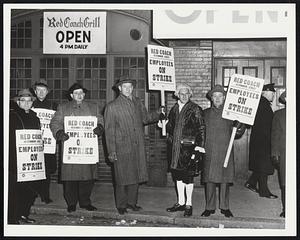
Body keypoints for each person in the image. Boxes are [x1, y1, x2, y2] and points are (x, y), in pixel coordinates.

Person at [104, 75, 164, 215]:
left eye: (130, 87)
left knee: (135, 176)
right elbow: (109, 130)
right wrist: (112, 151)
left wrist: (158, 113)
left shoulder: (138, 102)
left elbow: (145, 119)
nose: (128, 89)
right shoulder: (112, 107)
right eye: (125, 86)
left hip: (137, 146)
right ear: (119, 88)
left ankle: (132, 203)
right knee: (122, 177)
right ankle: (121, 205)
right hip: (121, 147)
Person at [50, 83, 104, 213]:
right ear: (71, 95)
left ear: (84, 94)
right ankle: (71, 203)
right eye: (76, 93)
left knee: (87, 178)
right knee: (70, 178)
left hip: (87, 148)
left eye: (81, 93)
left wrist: (100, 128)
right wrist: (59, 132)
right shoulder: (63, 108)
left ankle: (85, 202)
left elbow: (101, 120)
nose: (79, 95)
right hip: (70, 147)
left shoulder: (93, 107)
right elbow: (55, 122)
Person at [201, 85, 245, 218]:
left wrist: (239, 126)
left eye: (220, 96)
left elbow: (238, 133)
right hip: (209, 151)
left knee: (224, 180)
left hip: (225, 150)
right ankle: (209, 207)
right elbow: (200, 131)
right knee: (209, 180)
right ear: (211, 99)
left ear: (224, 97)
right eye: (215, 96)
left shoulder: (231, 113)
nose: (218, 98)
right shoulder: (205, 113)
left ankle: (225, 207)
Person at [165, 83, 205, 217]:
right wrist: (164, 126)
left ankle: (189, 204)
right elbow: (170, 127)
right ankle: (180, 202)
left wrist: (200, 147)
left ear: (190, 95)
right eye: (181, 93)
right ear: (177, 95)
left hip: (189, 149)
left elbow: (201, 129)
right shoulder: (174, 109)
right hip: (175, 150)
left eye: (187, 93)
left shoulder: (195, 109)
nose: (184, 96)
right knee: (177, 177)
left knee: (188, 178)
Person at [8, 89, 41, 224]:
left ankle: (23, 214)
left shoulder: (35, 116)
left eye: (29, 101)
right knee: (16, 190)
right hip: (16, 159)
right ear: (18, 102)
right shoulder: (12, 116)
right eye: (23, 101)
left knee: (30, 189)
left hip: (32, 159)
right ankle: (12, 217)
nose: (26, 103)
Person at [245, 83, 278, 199]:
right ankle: (264, 191)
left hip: (259, 140)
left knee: (260, 165)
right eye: (272, 93)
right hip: (263, 141)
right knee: (264, 166)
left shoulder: (261, 104)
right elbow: (266, 126)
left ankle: (251, 183)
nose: (274, 95)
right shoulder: (263, 105)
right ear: (264, 93)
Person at [32, 79, 58, 204]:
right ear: (35, 91)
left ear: (47, 92)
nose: (41, 93)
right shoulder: (30, 105)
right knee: (33, 169)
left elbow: (58, 123)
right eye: (38, 90)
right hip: (33, 144)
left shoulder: (54, 106)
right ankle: (33, 193)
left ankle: (45, 195)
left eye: (43, 90)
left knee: (47, 171)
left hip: (48, 145)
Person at [271, 91, 286, 217]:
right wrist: (275, 153)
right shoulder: (279, 115)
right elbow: (275, 136)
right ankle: (286, 208)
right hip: (285, 153)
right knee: (285, 182)